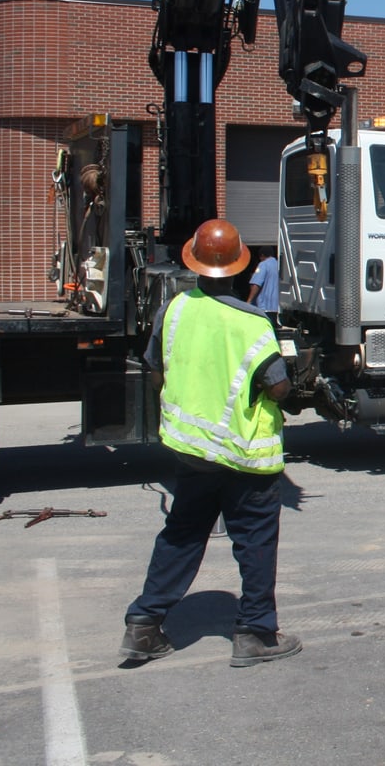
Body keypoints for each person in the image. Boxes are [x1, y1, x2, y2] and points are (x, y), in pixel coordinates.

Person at [119, 219, 302, 667]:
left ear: (194, 264)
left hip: (192, 450)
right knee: (255, 541)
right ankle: (256, 632)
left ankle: (144, 625)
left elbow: (158, 369)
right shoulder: (251, 322)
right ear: (240, 269)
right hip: (243, 455)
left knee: (182, 533)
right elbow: (277, 388)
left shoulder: (175, 310)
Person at [247, 245, 281, 328]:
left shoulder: (263, 265)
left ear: (262, 255)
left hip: (264, 305)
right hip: (277, 305)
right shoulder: (279, 265)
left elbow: (256, 284)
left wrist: (249, 301)